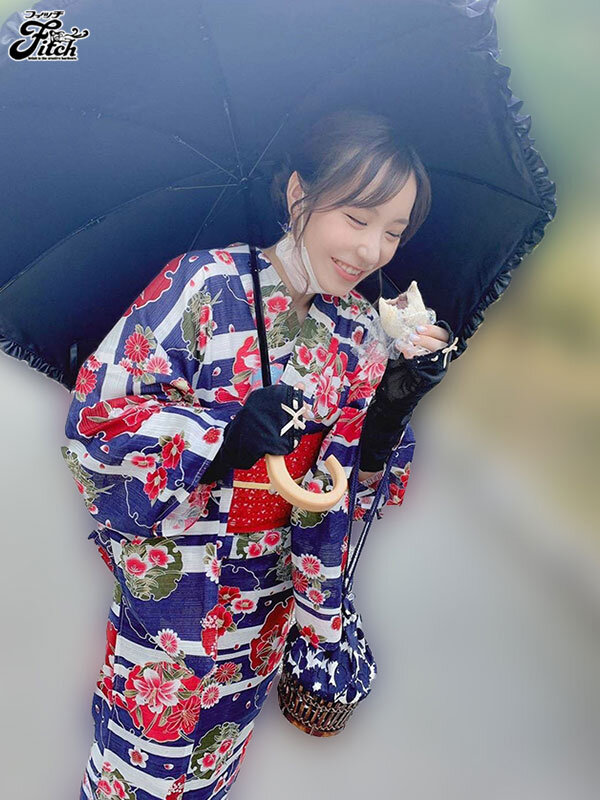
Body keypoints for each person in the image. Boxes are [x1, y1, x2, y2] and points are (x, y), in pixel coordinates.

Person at [62, 109, 455, 800]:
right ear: (300, 193)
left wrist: (387, 416)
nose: (372, 251)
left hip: (263, 613)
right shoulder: (201, 285)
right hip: (173, 606)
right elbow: (96, 425)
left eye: (394, 232)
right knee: (136, 774)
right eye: (357, 219)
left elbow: (356, 494)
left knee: (214, 772)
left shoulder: (361, 333)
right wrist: (219, 438)